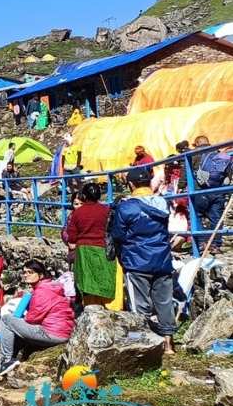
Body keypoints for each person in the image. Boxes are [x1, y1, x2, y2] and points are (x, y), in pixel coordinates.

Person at [109, 167, 176, 353]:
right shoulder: (162, 203)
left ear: (130, 184)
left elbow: (118, 234)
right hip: (162, 259)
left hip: (137, 260)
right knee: (164, 302)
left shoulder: (126, 206)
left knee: (139, 305)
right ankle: (169, 344)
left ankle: (141, 344)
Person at [0, 260, 75, 383]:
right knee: (16, 325)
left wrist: (21, 319)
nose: (26, 275)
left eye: (31, 272)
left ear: (41, 275)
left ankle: (6, 360)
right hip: (62, 331)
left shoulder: (42, 291)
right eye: (25, 272)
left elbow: (33, 318)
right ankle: (11, 357)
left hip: (52, 333)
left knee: (7, 319)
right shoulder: (50, 287)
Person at [64, 181, 119, 308]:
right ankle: (107, 307)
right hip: (103, 247)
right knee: (104, 277)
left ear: (84, 196)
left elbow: (72, 235)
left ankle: (90, 307)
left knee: (86, 280)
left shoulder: (78, 213)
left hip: (83, 249)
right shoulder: (106, 210)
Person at [192, 135, 232, 252]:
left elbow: (186, 172)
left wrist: (180, 186)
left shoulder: (193, 154)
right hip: (217, 191)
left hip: (199, 190)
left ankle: (199, 244)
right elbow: (227, 173)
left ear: (197, 143)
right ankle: (215, 245)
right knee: (216, 218)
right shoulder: (218, 153)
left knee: (197, 216)